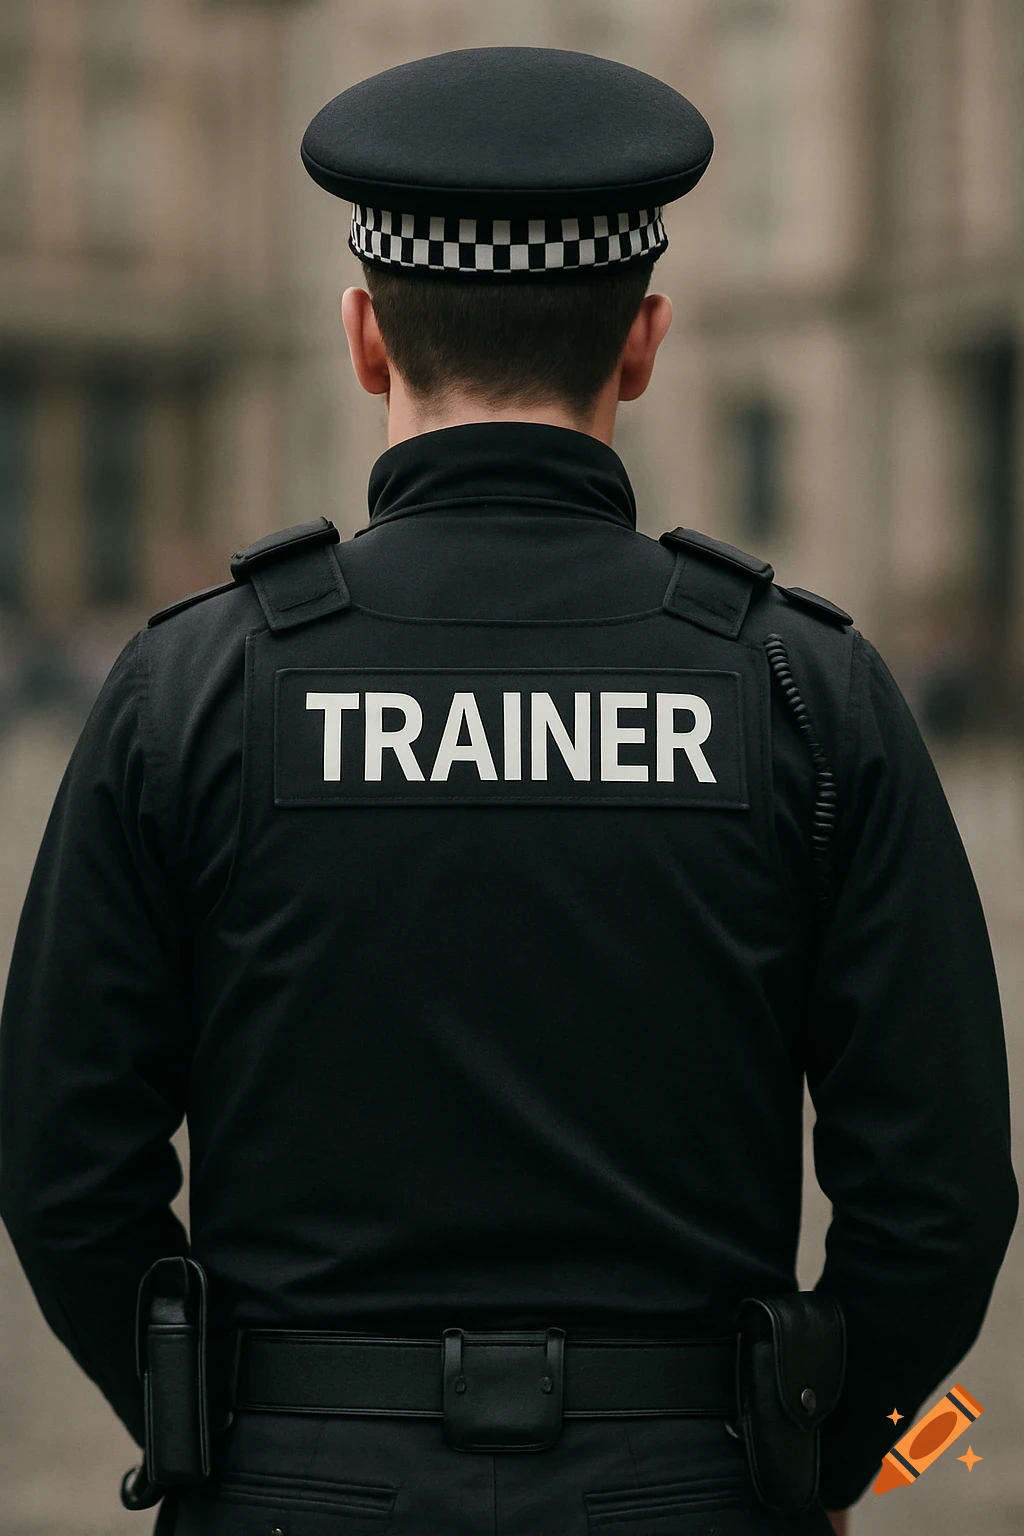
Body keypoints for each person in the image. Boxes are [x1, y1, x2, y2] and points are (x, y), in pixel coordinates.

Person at [0, 46, 1016, 1536]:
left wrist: (222, 1429)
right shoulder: (809, 691)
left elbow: (61, 1168)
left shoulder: (192, 692)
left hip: (293, 1490)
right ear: (644, 341)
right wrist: (819, 1457)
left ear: (363, 336)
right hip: (692, 1491)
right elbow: (939, 1203)